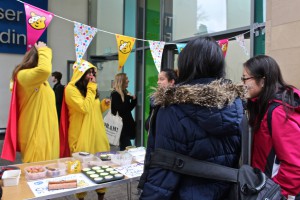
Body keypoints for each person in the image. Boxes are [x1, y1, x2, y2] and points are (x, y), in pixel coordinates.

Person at [139, 37, 245, 200]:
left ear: (185, 64)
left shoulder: (172, 108)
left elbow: (162, 174)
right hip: (227, 193)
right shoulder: (235, 105)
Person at [242, 55, 300, 199]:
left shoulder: (278, 112)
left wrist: (272, 194)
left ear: (262, 81)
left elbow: (295, 165)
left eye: (245, 79)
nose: (242, 84)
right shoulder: (262, 105)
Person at [1, 41, 59, 162]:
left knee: (48, 172)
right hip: (36, 136)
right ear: (38, 58)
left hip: (48, 134)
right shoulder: (23, 76)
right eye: (45, 57)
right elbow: (44, 70)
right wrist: (44, 50)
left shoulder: (43, 83)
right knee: (36, 175)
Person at [64, 60, 110, 200]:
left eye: (92, 72)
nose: (91, 75)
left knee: (101, 167)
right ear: (80, 74)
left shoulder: (91, 88)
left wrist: (103, 105)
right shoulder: (70, 89)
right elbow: (84, 108)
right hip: (80, 135)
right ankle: (81, 197)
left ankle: (101, 195)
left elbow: (93, 110)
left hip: (97, 134)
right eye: (88, 72)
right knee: (81, 169)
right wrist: (92, 88)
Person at [111, 73, 137, 151]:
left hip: (125, 127)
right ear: (121, 81)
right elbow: (121, 110)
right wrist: (127, 98)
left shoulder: (124, 93)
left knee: (126, 149)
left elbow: (128, 109)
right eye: (126, 79)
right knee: (127, 149)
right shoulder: (115, 94)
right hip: (120, 128)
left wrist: (133, 100)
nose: (128, 80)